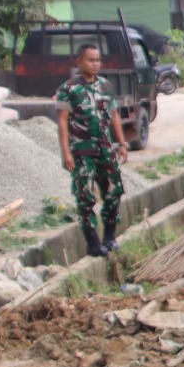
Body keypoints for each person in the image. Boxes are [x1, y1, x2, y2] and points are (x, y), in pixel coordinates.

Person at [56, 42, 128, 258]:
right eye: (90, 60)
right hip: (82, 152)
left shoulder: (105, 86)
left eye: (97, 60)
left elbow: (113, 114)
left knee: (114, 192)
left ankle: (110, 237)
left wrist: (121, 143)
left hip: (105, 150)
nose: (95, 64)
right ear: (79, 62)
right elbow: (62, 122)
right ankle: (93, 242)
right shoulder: (68, 89)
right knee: (85, 198)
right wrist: (65, 153)